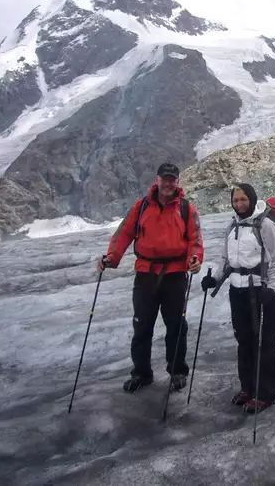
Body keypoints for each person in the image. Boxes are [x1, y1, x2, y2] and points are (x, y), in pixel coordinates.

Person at [98, 163, 203, 393]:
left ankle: (177, 371)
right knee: (142, 325)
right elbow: (124, 232)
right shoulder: (141, 206)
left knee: (176, 325)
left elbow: (195, 239)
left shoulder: (187, 209)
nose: (168, 184)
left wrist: (194, 258)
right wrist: (111, 257)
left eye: (172, 180)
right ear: (157, 180)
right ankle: (141, 373)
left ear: (177, 182)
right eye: (164, 179)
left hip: (175, 274)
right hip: (146, 273)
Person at [200, 183, 275, 414]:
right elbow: (225, 260)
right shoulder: (231, 225)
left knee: (265, 343)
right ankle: (248, 387)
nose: (239, 204)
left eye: (243, 199)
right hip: (238, 291)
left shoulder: (265, 225)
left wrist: (273, 288)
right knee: (244, 341)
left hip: (262, 292)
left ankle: (265, 393)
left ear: (252, 199)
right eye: (236, 200)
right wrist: (215, 279)